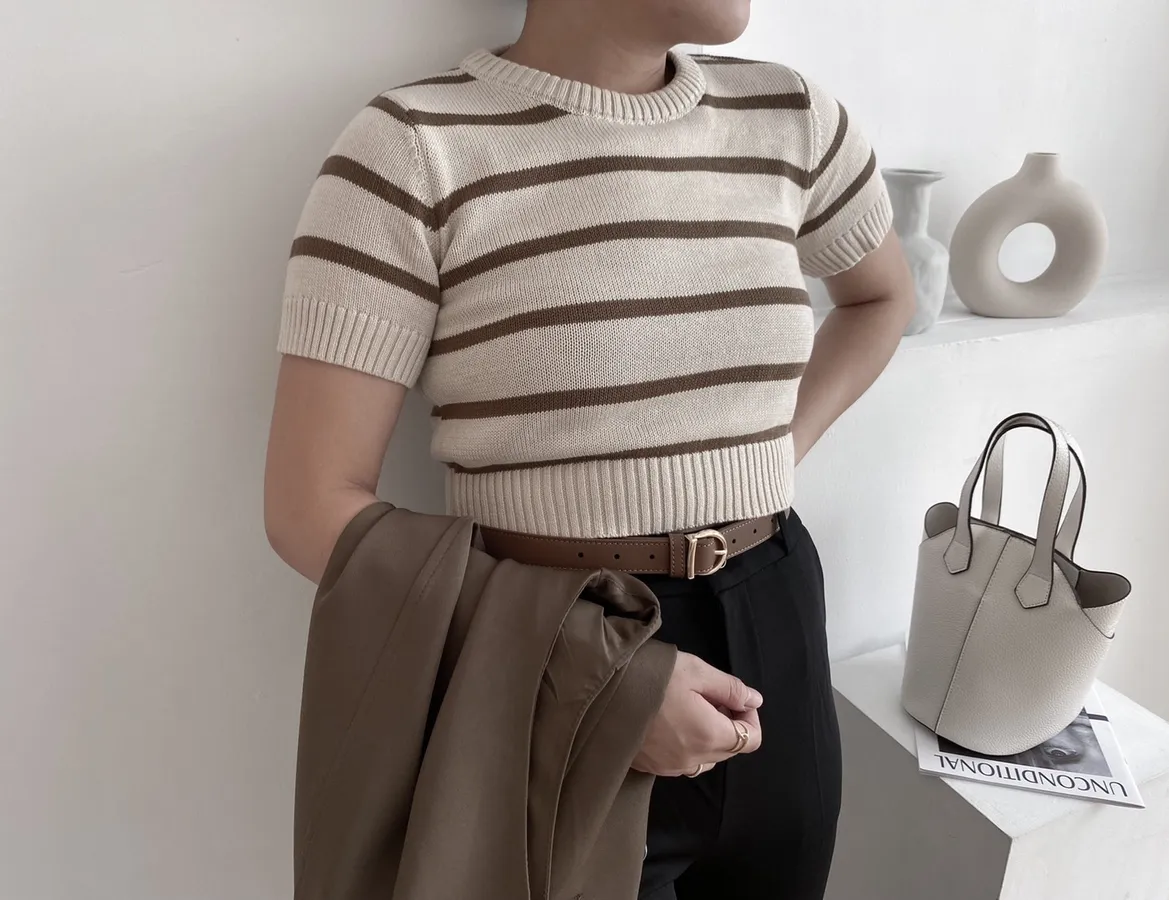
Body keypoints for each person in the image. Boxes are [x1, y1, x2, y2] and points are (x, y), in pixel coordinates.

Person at [264, 0, 915, 897]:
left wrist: (771, 455)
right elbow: (308, 507)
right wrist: (601, 674)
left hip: (776, 613)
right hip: (559, 647)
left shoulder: (794, 119)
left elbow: (882, 298)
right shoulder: (413, 148)